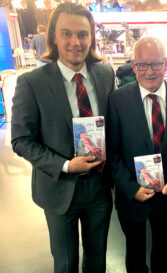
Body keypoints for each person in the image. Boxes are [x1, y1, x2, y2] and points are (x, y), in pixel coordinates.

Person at [11, 3, 115, 273]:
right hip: (59, 187)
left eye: (82, 34)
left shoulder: (105, 75)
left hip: (99, 187)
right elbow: (21, 140)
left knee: (97, 259)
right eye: (66, 33)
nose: (75, 42)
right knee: (66, 262)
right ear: (54, 37)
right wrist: (66, 165)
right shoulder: (32, 83)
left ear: (91, 37)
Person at [107, 36, 167, 273]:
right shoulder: (117, 100)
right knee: (134, 252)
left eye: (156, 64)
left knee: (164, 251)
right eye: (143, 65)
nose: (150, 71)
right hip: (132, 193)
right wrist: (130, 188)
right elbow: (112, 153)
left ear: (165, 63)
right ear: (134, 66)